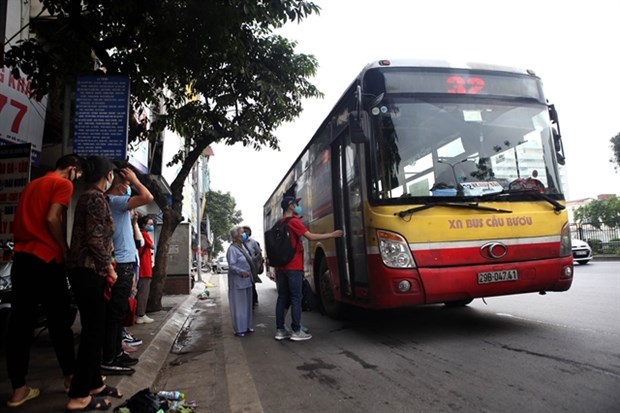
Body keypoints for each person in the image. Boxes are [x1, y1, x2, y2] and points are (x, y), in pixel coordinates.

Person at [5, 154, 82, 408]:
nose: (76, 179)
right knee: (59, 323)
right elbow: (51, 218)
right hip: (47, 260)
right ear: (72, 169)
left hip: (22, 261)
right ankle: (71, 379)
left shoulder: (32, 185)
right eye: (77, 174)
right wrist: (64, 246)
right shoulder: (63, 184)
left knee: (19, 327)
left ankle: (18, 390)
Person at [66, 155, 121, 412]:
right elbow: (95, 240)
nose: (113, 178)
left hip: (85, 271)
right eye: (112, 174)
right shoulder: (96, 198)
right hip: (89, 272)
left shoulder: (90, 196)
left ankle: (94, 383)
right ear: (106, 175)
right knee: (92, 333)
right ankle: (79, 396)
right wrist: (109, 268)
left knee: (93, 330)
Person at [102, 166, 153, 376]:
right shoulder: (114, 202)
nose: (130, 188)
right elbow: (148, 196)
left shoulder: (118, 205)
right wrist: (135, 180)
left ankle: (117, 353)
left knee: (120, 312)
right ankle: (109, 358)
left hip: (125, 263)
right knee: (115, 314)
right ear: (121, 185)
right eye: (128, 184)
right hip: (120, 264)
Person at [274, 196, 343, 341]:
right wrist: (332, 234)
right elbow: (310, 237)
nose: (298, 205)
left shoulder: (279, 223)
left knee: (282, 297)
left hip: (281, 267)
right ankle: (297, 330)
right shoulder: (294, 222)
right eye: (296, 204)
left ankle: (280, 330)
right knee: (296, 297)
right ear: (290, 207)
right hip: (293, 266)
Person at [226, 226, 256, 337]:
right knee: (239, 306)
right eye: (242, 233)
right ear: (236, 236)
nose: (244, 234)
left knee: (248, 305)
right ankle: (239, 329)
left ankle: (247, 326)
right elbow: (232, 266)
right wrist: (241, 272)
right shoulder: (232, 249)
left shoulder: (243, 247)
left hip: (247, 280)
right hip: (238, 281)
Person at [136, 215, 156, 324]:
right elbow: (152, 246)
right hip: (144, 268)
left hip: (143, 267)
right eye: (150, 224)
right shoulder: (144, 234)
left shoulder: (140, 234)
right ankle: (141, 314)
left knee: (142, 292)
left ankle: (140, 314)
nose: (152, 226)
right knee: (143, 293)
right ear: (143, 225)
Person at [242, 225, 263, 308]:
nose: (245, 233)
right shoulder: (238, 243)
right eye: (243, 232)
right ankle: (247, 301)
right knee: (245, 284)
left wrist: (254, 258)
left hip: (252, 266)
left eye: (246, 231)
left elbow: (258, 253)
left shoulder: (253, 242)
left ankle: (253, 301)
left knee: (252, 283)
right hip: (242, 267)